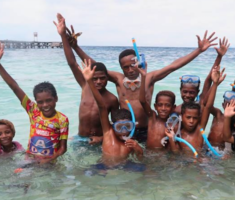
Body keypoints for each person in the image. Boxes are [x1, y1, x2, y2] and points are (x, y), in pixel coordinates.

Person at [64, 22, 218, 142]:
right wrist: (76, 47)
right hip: (124, 128)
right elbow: (95, 66)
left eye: (133, 65)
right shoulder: (118, 78)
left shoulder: (149, 78)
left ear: (138, 61)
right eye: (125, 67)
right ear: (121, 68)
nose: (130, 70)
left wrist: (198, 51)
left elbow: (173, 66)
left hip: (146, 129)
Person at [53, 13, 119, 145]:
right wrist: (63, 37)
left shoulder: (112, 99)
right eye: (95, 78)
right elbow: (72, 63)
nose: (99, 81)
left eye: (102, 78)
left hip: (99, 141)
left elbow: (117, 125)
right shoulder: (85, 86)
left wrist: (101, 139)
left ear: (107, 78)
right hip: (80, 138)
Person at [0, 42, 69, 164]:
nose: (45, 105)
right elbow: (14, 87)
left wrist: (49, 160)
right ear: (36, 102)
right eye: (40, 102)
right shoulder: (33, 110)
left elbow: (63, 148)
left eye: (49, 100)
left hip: (50, 163)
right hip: (30, 160)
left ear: (56, 99)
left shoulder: (62, 119)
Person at [79, 59, 143, 167]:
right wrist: (89, 81)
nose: (123, 131)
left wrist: (138, 148)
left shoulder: (131, 144)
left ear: (132, 127)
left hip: (125, 166)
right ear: (113, 127)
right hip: (103, 166)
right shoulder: (109, 133)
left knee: (143, 169)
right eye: (119, 127)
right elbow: (102, 107)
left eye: (127, 126)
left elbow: (140, 159)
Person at [174, 37, 229, 114]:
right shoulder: (176, 110)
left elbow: (209, 80)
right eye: (185, 92)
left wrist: (219, 56)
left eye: (192, 92)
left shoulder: (200, 104)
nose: (187, 95)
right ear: (180, 91)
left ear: (197, 92)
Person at [174, 66, 221, 154]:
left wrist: (215, 84)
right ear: (181, 117)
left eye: (195, 118)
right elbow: (174, 151)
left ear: (199, 117)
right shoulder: (178, 133)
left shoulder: (200, 130)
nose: (191, 121)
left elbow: (208, 106)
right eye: (188, 117)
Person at [208, 55, 235, 148]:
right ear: (223, 105)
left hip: (224, 154)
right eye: (229, 103)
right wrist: (215, 84)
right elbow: (208, 105)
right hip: (208, 149)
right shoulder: (218, 115)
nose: (231, 106)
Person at [136, 63, 176, 150]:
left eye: (167, 105)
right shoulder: (152, 117)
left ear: (173, 108)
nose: (163, 108)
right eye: (160, 105)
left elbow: (174, 150)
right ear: (155, 106)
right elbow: (142, 100)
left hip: (162, 157)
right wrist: (143, 77)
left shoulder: (173, 125)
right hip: (148, 155)